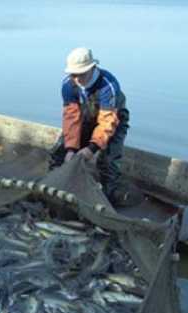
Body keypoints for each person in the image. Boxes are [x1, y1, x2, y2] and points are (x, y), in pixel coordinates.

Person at [52, 47, 130, 203]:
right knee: (59, 154)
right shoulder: (68, 85)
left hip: (113, 120)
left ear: (92, 68)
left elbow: (107, 122)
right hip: (85, 118)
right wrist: (71, 148)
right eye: (74, 74)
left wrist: (92, 148)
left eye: (81, 74)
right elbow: (71, 117)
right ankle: (57, 190)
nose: (77, 79)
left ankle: (109, 199)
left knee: (107, 162)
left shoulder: (108, 85)